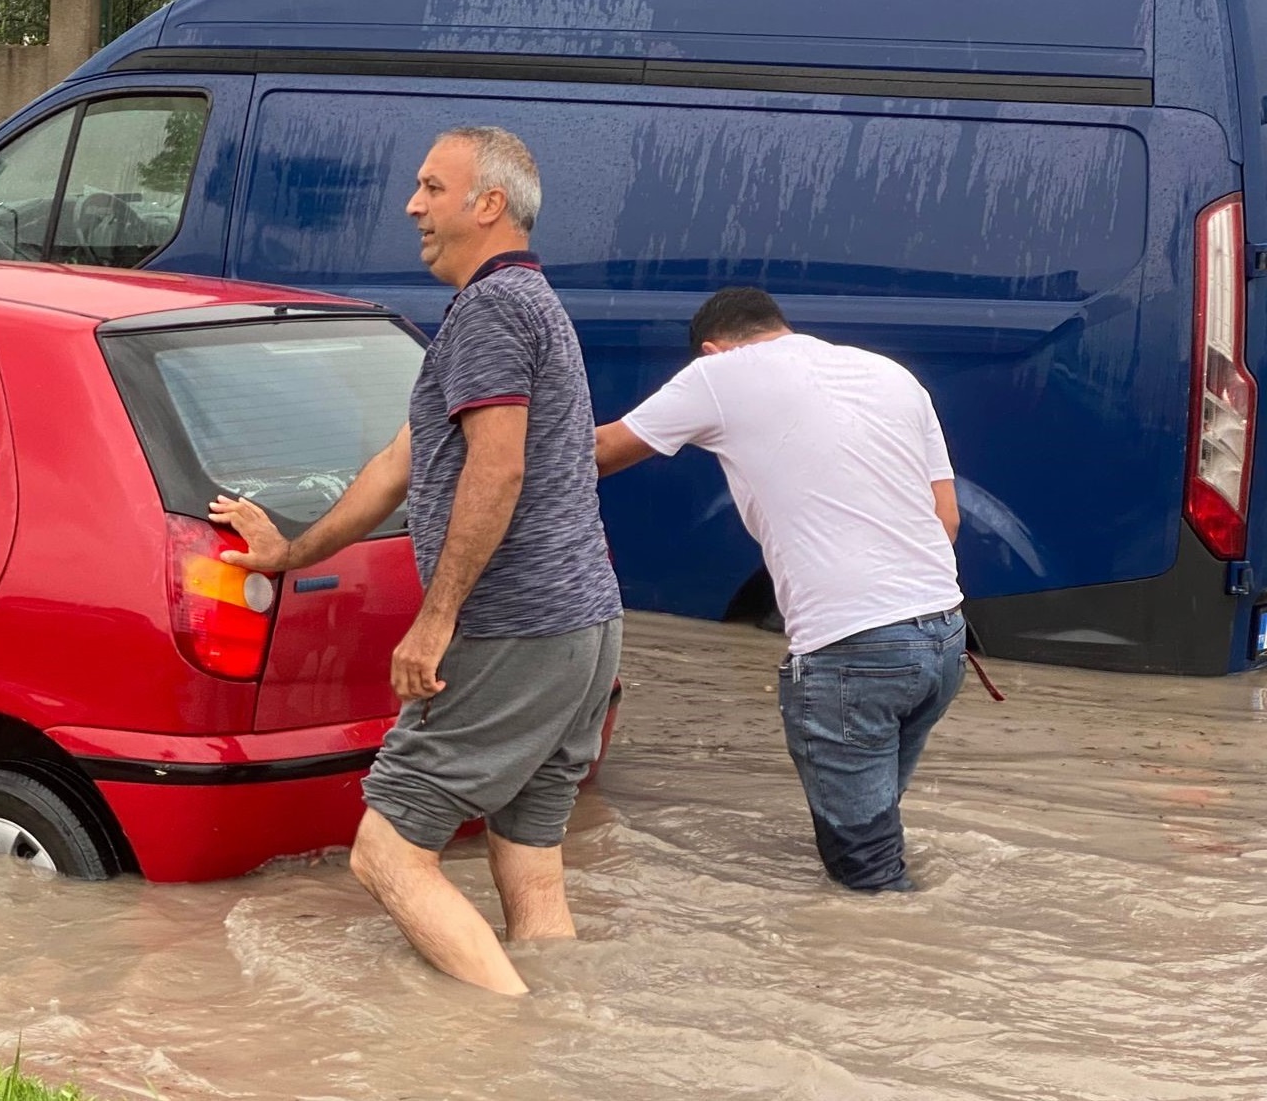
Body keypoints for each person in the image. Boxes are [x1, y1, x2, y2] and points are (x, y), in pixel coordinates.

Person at [213, 127, 623, 995]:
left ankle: (503, 1039)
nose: (412, 205)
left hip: (512, 629)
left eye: (433, 187)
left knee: (385, 853)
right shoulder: (523, 306)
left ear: (489, 206)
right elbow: (396, 466)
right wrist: (289, 551)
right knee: (530, 855)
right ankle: (566, 1048)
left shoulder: (492, 311)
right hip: (583, 630)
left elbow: (499, 463)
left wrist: (434, 620)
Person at [595, 287, 964, 892]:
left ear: (712, 351)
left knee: (867, 882)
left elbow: (601, 452)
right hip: (942, 639)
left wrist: (479, 457)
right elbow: (944, 519)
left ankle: (889, 971)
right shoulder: (892, 375)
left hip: (852, 652)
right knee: (875, 832)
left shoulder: (720, 375)